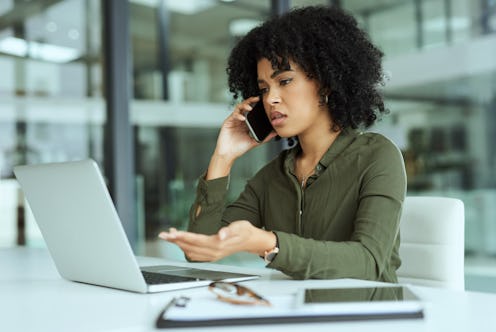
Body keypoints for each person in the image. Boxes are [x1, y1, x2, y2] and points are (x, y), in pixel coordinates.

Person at [159, 5, 406, 283]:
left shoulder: (376, 155)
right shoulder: (271, 176)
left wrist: (269, 242)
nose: (270, 99)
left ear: (325, 83)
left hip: (370, 319)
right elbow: (200, 250)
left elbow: (369, 262)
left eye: (284, 81)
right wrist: (223, 157)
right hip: (293, 317)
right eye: (264, 89)